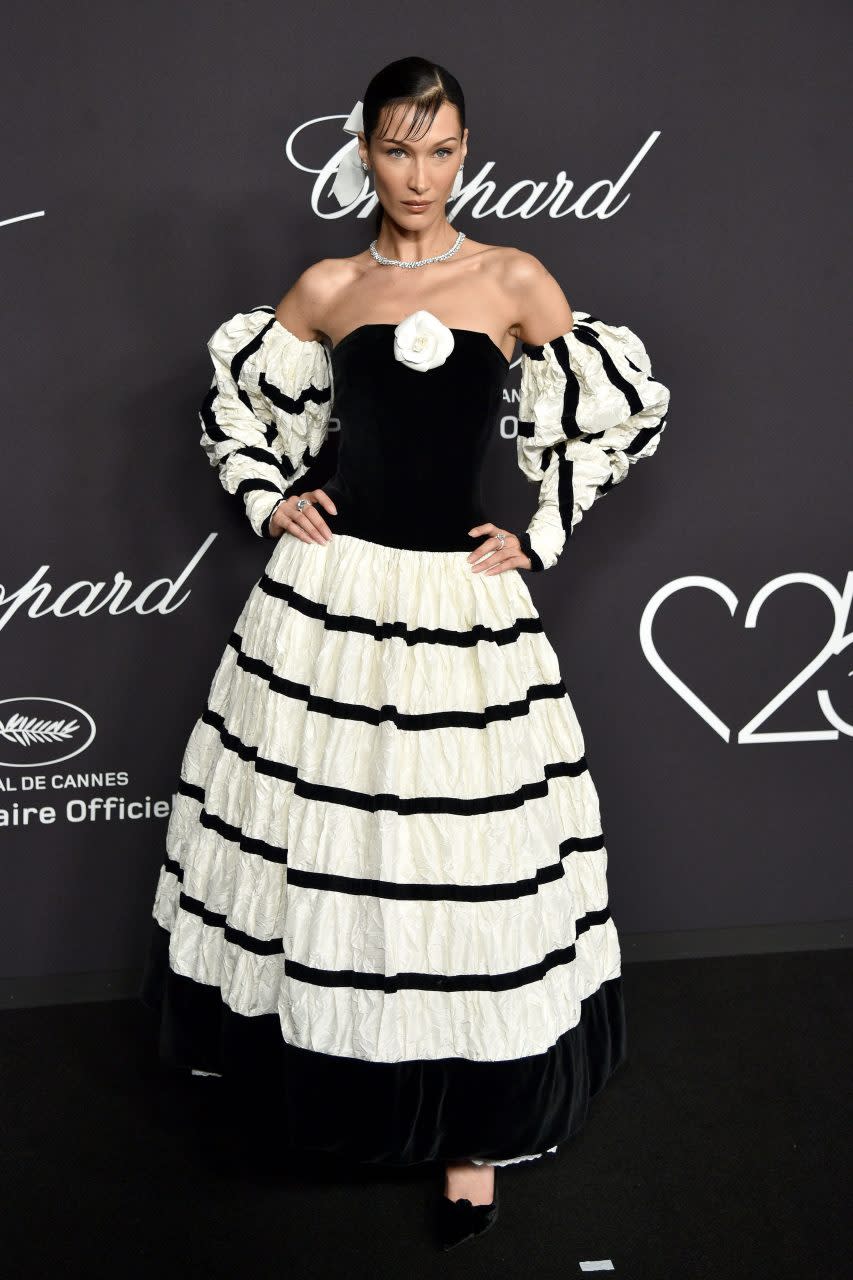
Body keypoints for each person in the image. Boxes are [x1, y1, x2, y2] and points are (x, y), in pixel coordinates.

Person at [140, 56, 671, 1251]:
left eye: (439, 149)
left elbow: (613, 411)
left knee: (462, 858)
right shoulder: (325, 285)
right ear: (362, 153)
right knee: (327, 854)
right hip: (330, 598)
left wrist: (539, 527)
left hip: (457, 607)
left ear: (466, 153)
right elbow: (238, 408)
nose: (417, 173)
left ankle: (474, 1134)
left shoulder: (512, 277)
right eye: (395, 148)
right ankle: (334, 1090)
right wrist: (272, 492)